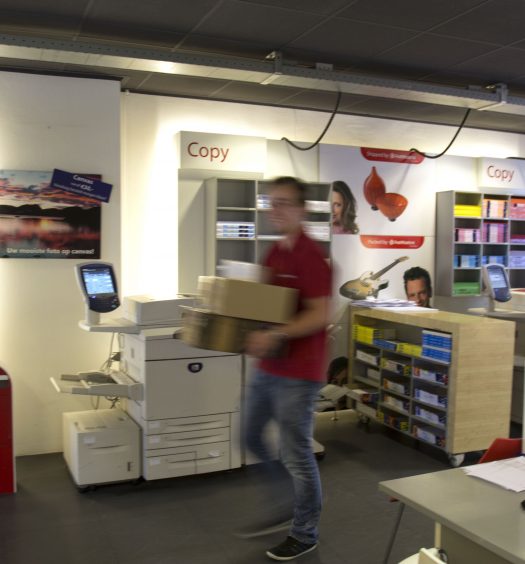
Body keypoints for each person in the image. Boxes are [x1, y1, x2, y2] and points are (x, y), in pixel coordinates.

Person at [243, 176, 332, 561]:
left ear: (301, 209)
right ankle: (285, 498)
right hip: (270, 366)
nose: (275, 210)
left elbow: (320, 313)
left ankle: (304, 531)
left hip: (299, 372)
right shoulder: (274, 252)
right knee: (249, 435)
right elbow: (264, 302)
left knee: (296, 454)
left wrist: (276, 334)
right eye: (271, 202)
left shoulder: (312, 257)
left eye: (283, 203)